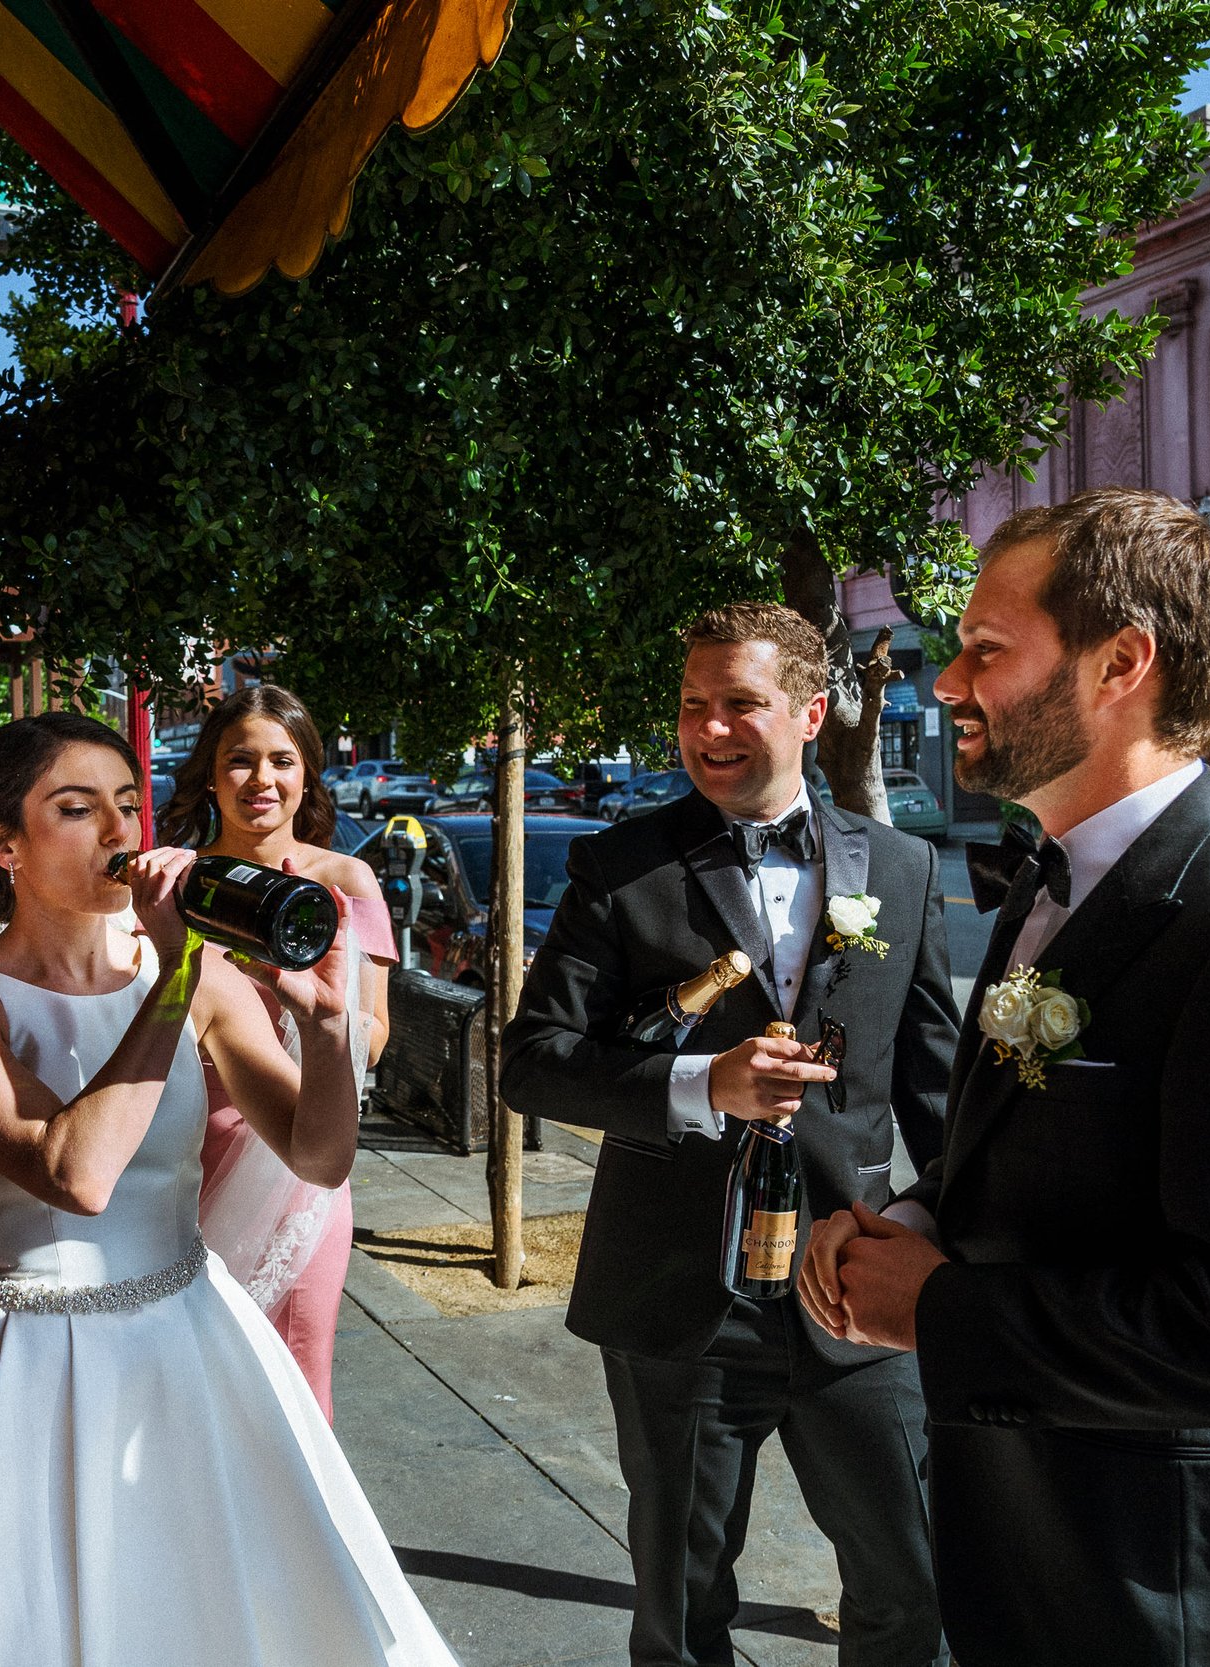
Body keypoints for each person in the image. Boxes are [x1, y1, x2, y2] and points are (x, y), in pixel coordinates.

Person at [800, 487, 1210, 1667]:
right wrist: (911, 1221)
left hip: (1161, 1597)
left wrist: (938, 1308)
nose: (945, 684)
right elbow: (1029, 1152)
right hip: (1024, 1555)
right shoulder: (1047, 882)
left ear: (1122, 661)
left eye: (985, 650)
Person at [0, 713, 456, 1667]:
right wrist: (176, 971)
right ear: (6, 845)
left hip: (197, 1342)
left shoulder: (187, 979)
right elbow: (76, 1172)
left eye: (128, 804)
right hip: (27, 1363)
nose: (120, 834)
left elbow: (317, 1156)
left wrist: (325, 1030)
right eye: (76, 809)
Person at [501, 602, 958, 1667]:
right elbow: (531, 1059)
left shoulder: (900, 867)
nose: (709, 728)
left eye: (738, 703)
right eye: (692, 705)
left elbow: (940, 1094)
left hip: (855, 1290)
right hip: (676, 1294)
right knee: (682, 1602)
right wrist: (706, 1080)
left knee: (911, 1583)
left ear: (808, 711)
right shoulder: (619, 867)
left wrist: (938, 1234)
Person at [158, 684, 394, 1422]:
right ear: (209, 775)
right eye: (240, 761)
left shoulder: (345, 881)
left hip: (298, 1166)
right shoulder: (176, 887)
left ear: (307, 775)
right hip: (183, 1157)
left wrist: (313, 1027)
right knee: (185, 1383)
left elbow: (378, 1030)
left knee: (294, 1380)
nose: (261, 780)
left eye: (281, 761)